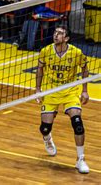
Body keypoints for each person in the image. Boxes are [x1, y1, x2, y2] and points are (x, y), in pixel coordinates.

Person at [36, 25, 90, 174]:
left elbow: (85, 69)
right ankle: (47, 138)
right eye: (55, 32)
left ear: (66, 38)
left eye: (60, 33)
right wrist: (38, 90)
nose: (56, 35)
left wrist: (84, 91)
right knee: (44, 128)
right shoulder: (46, 51)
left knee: (78, 124)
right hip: (51, 91)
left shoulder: (76, 53)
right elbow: (39, 70)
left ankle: (81, 159)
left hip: (70, 92)